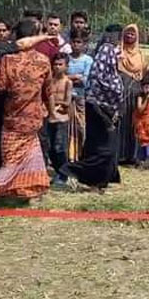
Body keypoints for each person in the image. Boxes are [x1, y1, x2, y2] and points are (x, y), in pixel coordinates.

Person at [0, 19, 53, 208]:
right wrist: (51, 112)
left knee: (11, 161)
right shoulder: (43, 61)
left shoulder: (8, 60)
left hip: (13, 119)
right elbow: (48, 91)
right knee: (32, 154)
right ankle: (31, 192)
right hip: (33, 118)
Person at [62, 25, 124, 191]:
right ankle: (73, 171)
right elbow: (97, 91)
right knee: (103, 150)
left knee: (106, 150)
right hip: (98, 110)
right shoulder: (100, 71)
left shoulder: (112, 69)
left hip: (107, 110)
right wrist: (107, 118)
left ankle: (100, 183)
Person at [116, 24, 148, 165]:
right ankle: (120, 155)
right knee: (121, 122)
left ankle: (133, 156)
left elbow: (144, 74)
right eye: (127, 33)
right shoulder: (119, 52)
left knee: (134, 123)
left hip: (136, 93)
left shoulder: (141, 55)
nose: (129, 36)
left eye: (132, 34)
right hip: (121, 92)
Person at [42, 53, 73, 183]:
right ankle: (56, 171)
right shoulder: (49, 81)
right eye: (55, 64)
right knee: (49, 147)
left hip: (61, 118)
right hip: (48, 117)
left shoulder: (67, 82)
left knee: (60, 147)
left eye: (60, 64)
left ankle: (64, 174)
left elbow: (67, 102)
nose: (57, 67)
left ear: (66, 66)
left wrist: (55, 104)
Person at [65, 32, 93, 160]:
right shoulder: (66, 58)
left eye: (79, 42)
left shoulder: (88, 60)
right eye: (74, 42)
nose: (76, 45)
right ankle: (68, 154)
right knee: (67, 126)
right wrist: (74, 77)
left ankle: (81, 154)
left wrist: (70, 79)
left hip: (81, 97)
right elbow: (61, 77)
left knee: (81, 126)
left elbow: (85, 80)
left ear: (84, 44)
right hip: (66, 97)